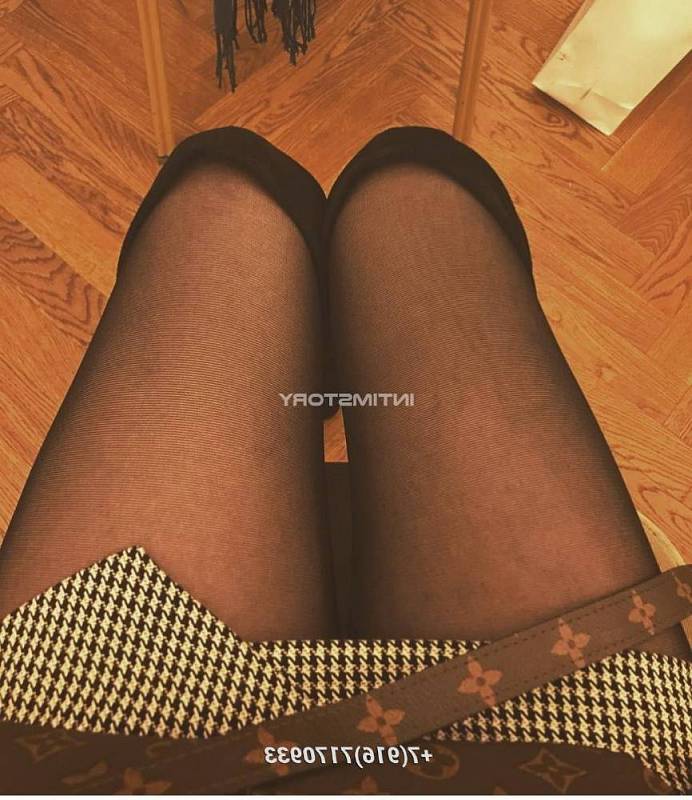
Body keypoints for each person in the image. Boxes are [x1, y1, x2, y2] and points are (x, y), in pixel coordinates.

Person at [0, 126, 689, 794]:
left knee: (226, 191)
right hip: (571, 756)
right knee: (411, 184)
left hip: (100, 746)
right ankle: (329, 366)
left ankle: (308, 368)